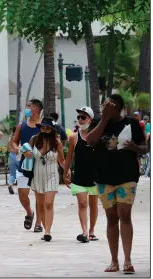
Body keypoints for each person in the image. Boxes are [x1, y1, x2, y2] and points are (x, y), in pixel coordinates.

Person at [86, 94, 147, 274]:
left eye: (109, 105)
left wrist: (135, 148)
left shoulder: (132, 124)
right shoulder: (98, 122)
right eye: (104, 104)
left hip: (127, 176)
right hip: (104, 177)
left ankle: (128, 260)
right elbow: (90, 141)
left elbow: (145, 147)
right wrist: (104, 119)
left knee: (124, 214)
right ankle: (114, 260)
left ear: (118, 107)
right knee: (111, 217)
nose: (106, 107)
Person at [23, 117, 66, 242]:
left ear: (52, 129)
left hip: (52, 174)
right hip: (37, 175)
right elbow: (23, 151)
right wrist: (25, 154)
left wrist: (68, 171)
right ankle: (42, 225)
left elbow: (62, 161)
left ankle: (47, 231)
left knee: (48, 203)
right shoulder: (34, 140)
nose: (44, 130)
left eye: (47, 128)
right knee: (40, 203)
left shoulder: (57, 142)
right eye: (42, 127)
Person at [63, 107, 99, 243]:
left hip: (95, 176)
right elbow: (69, 156)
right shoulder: (73, 137)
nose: (80, 120)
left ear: (90, 119)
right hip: (79, 176)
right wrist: (66, 171)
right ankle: (84, 232)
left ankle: (92, 231)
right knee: (82, 203)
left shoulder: (97, 137)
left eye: (83, 117)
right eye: (79, 117)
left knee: (93, 204)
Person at [11, 99, 43, 232]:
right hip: (24, 164)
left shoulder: (44, 126)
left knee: (38, 194)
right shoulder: (21, 125)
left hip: (40, 164)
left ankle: (38, 223)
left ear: (36, 109)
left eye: (29, 106)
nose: (27, 109)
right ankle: (29, 212)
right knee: (22, 194)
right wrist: (18, 149)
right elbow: (13, 142)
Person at [7, 126, 19, 195]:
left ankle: (10, 184)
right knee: (21, 173)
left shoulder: (10, 137)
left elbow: (9, 149)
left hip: (11, 156)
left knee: (12, 173)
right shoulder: (19, 137)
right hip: (19, 156)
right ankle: (21, 188)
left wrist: (13, 151)